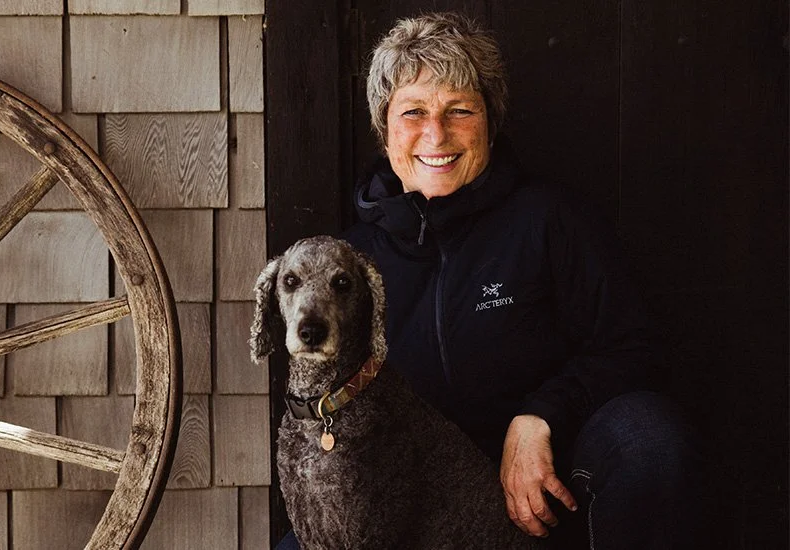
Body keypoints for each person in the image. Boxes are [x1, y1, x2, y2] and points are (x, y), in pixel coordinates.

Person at [278, 12, 704, 549]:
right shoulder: (346, 266)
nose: (437, 134)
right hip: (411, 505)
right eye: (414, 112)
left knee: (649, 438)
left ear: (490, 121)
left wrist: (540, 416)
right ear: (384, 127)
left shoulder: (549, 221)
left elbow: (636, 348)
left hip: (544, 497)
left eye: (460, 110)